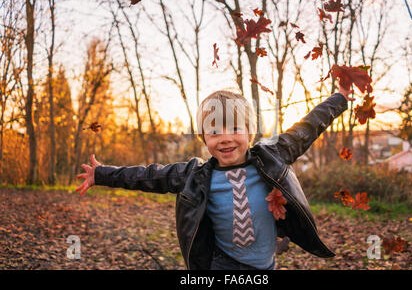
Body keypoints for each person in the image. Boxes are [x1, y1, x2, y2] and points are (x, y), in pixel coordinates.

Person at [76, 85, 354, 270]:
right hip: (222, 263)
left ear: (249, 132)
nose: (225, 139)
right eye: (214, 132)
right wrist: (102, 174)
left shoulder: (272, 156)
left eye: (234, 128)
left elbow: (308, 127)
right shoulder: (194, 175)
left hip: (264, 264)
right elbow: (150, 176)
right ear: (203, 138)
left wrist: (339, 98)